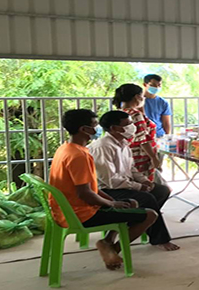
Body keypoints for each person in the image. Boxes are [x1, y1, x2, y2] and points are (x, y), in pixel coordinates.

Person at [49, 109, 157, 270]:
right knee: (150, 215)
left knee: (131, 203)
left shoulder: (66, 149)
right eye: (94, 125)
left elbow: (89, 187)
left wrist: (112, 201)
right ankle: (113, 249)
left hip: (67, 210)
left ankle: (107, 241)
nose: (98, 128)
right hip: (82, 214)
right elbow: (85, 193)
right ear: (84, 129)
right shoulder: (79, 156)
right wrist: (111, 204)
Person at [88, 111, 180, 251]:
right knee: (147, 198)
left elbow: (131, 169)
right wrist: (138, 187)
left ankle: (136, 222)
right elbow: (110, 180)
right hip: (107, 191)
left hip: (122, 185)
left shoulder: (123, 143)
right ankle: (159, 238)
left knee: (161, 190)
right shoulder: (103, 147)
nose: (132, 127)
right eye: (127, 124)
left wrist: (144, 181)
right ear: (113, 128)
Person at [113, 84, 161, 183]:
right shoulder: (135, 114)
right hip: (140, 156)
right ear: (136, 97)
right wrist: (154, 157)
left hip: (128, 154)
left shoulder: (121, 113)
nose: (144, 98)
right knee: (145, 184)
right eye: (142, 95)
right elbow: (142, 140)